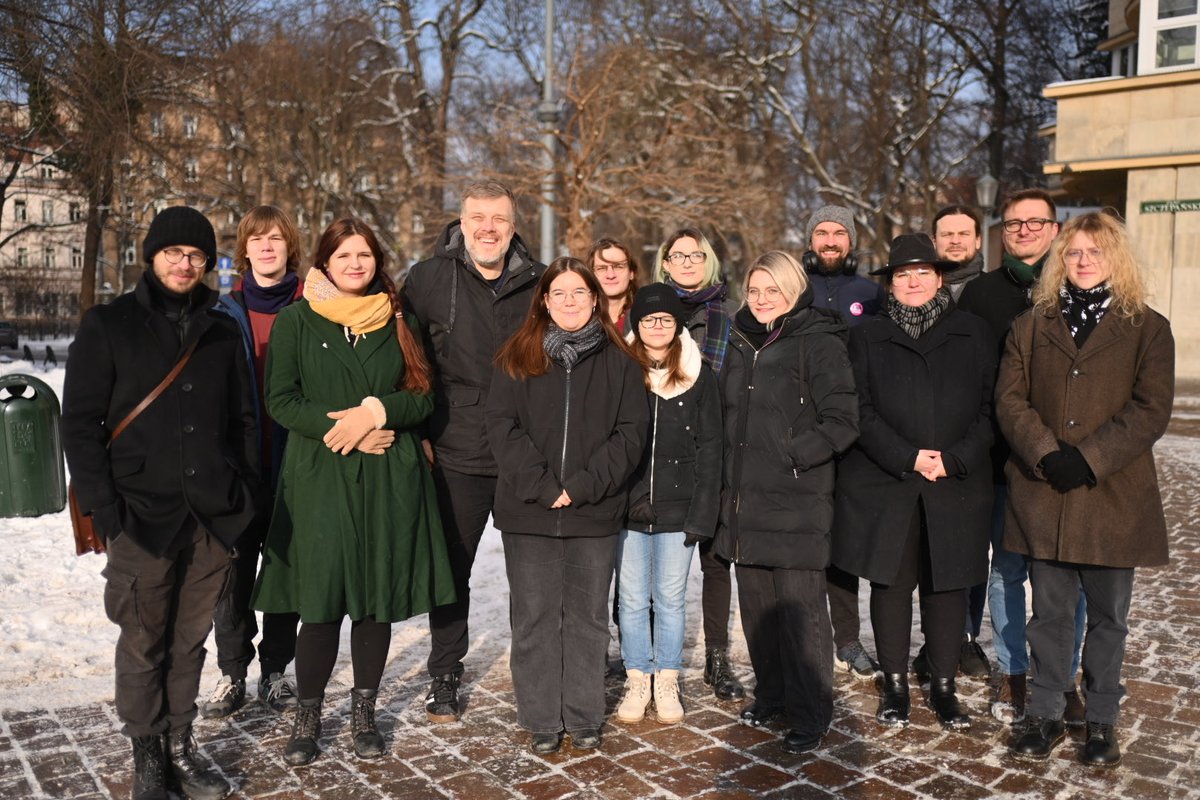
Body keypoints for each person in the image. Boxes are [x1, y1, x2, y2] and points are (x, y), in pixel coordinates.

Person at [62, 205, 259, 800]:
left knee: (189, 640)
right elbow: (79, 425)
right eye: (174, 252)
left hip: (208, 518)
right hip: (139, 518)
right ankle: (147, 754)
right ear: (151, 256)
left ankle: (180, 743)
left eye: (197, 255)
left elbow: (243, 420)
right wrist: (107, 510)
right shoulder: (109, 324)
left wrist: (242, 499)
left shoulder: (221, 329)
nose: (185, 263)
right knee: (143, 640)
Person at [252, 218, 455, 766]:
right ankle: (308, 716)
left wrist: (377, 412)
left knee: (374, 602)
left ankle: (364, 711)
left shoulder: (398, 317)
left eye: (364, 255)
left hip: (389, 477)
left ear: (376, 261)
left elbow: (423, 394)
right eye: (344, 256)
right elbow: (281, 399)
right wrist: (340, 429)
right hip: (320, 477)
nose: (355, 265)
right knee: (319, 606)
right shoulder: (297, 320)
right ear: (324, 263)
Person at [1000, 212, 1173, 767]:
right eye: (1073, 253)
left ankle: (1101, 721)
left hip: (1112, 498)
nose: (1082, 261)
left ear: (1115, 258)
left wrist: (1090, 457)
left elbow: (1150, 411)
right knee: (1047, 615)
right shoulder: (1032, 324)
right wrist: (1047, 452)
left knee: (1108, 618)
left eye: (1095, 252)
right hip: (1044, 491)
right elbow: (1010, 399)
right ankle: (1046, 714)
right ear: (1060, 259)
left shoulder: (1148, 327)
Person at [832, 233, 995, 731]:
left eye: (923, 271)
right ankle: (896, 684)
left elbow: (993, 407)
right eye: (903, 274)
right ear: (891, 284)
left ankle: (943, 686)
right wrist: (907, 457)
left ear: (939, 277)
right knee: (892, 584)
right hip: (888, 479)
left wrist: (955, 459)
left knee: (947, 586)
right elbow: (856, 407)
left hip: (956, 479)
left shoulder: (975, 332)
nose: (913, 280)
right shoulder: (865, 336)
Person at [487, 257, 648, 754]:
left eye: (580, 293)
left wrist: (580, 486)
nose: (571, 302)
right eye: (560, 293)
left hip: (592, 510)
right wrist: (541, 484)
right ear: (545, 301)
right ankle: (539, 717)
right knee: (533, 616)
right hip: (528, 510)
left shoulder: (620, 361)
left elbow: (630, 434)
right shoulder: (517, 355)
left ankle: (582, 714)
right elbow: (501, 426)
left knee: (587, 617)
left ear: (595, 300)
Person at [402, 181, 543, 723]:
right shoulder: (429, 278)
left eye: (499, 219)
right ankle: (445, 674)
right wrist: (418, 432)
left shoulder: (538, 282)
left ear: (513, 226)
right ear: (460, 222)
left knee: (530, 576)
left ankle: (538, 671)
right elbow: (406, 358)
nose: (488, 228)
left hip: (524, 453)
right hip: (455, 451)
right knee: (451, 572)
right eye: (478, 217)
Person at [714, 251, 859, 755]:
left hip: (796, 497)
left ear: (794, 291)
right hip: (743, 500)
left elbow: (842, 418)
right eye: (754, 291)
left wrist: (795, 455)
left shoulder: (817, 341)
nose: (761, 300)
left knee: (801, 613)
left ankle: (811, 710)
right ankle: (772, 694)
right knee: (757, 609)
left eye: (771, 290)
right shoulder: (738, 340)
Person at [958, 189, 1086, 725]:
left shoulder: (1079, 289)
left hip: (1065, 466)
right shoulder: (980, 295)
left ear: (1055, 230)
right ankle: (1012, 673)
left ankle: (1063, 674)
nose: (1025, 230)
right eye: (1014, 223)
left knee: (1066, 579)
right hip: (999, 463)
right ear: (1001, 231)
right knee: (1005, 573)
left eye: (1036, 222)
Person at [202, 205, 304, 720]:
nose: (267, 247)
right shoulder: (222, 312)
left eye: (277, 239)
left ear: (291, 248)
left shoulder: (314, 306)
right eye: (257, 239)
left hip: (297, 466)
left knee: (286, 572)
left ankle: (276, 672)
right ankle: (232, 671)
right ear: (243, 250)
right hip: (239, 468)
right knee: (233, 574)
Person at [615, 283, 721, 726]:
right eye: (647, 320)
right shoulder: (620, 369)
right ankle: (638, 676)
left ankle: (667, 677)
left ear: (678, 325)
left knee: (672, 599)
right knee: (633, 599)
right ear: (637, 326)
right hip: (631, 509)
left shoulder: (700, 373)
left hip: (680, 509)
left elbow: (712, 447)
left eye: (665, 319)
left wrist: (702, 512)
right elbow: (612, 441)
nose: (657, 326)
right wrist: (629, 497)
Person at [653, 227, 744, 702]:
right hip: (660, 454)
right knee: (649, 563)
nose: (687, 262)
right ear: (665, 263)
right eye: (678, 255)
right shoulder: (649, 312)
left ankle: (717, 658)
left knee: (715, 561)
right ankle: (644, 657)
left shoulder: (730, 316)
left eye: (696, 254)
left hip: (715, 447)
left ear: (708, 260)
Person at [800, 204, 885, 681]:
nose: (830, 241)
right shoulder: (794, 288)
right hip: (804, 431)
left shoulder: (870, 294)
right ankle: (807, 635)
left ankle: (848, 640)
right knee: (806, 539)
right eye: (822, 233)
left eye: (839, 233)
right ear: (810, 240)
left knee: (845, 544)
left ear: (851, 241)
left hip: (855, 436)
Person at [906, 203, 989, 681]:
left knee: (969, 554)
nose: (955, 241)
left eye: (964, 233)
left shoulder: (986, 294)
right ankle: (939, 643)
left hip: (971, 448)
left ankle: (963, 637)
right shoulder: (910, 294)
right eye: (946, 234)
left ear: (978, 241)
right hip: (918, 452)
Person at [588, 237, 641, 330]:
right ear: (591, 274)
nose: (610, 275)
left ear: (631, 273)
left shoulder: (645, 318)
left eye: (618, 267)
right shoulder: (582, 319)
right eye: (601, 268)